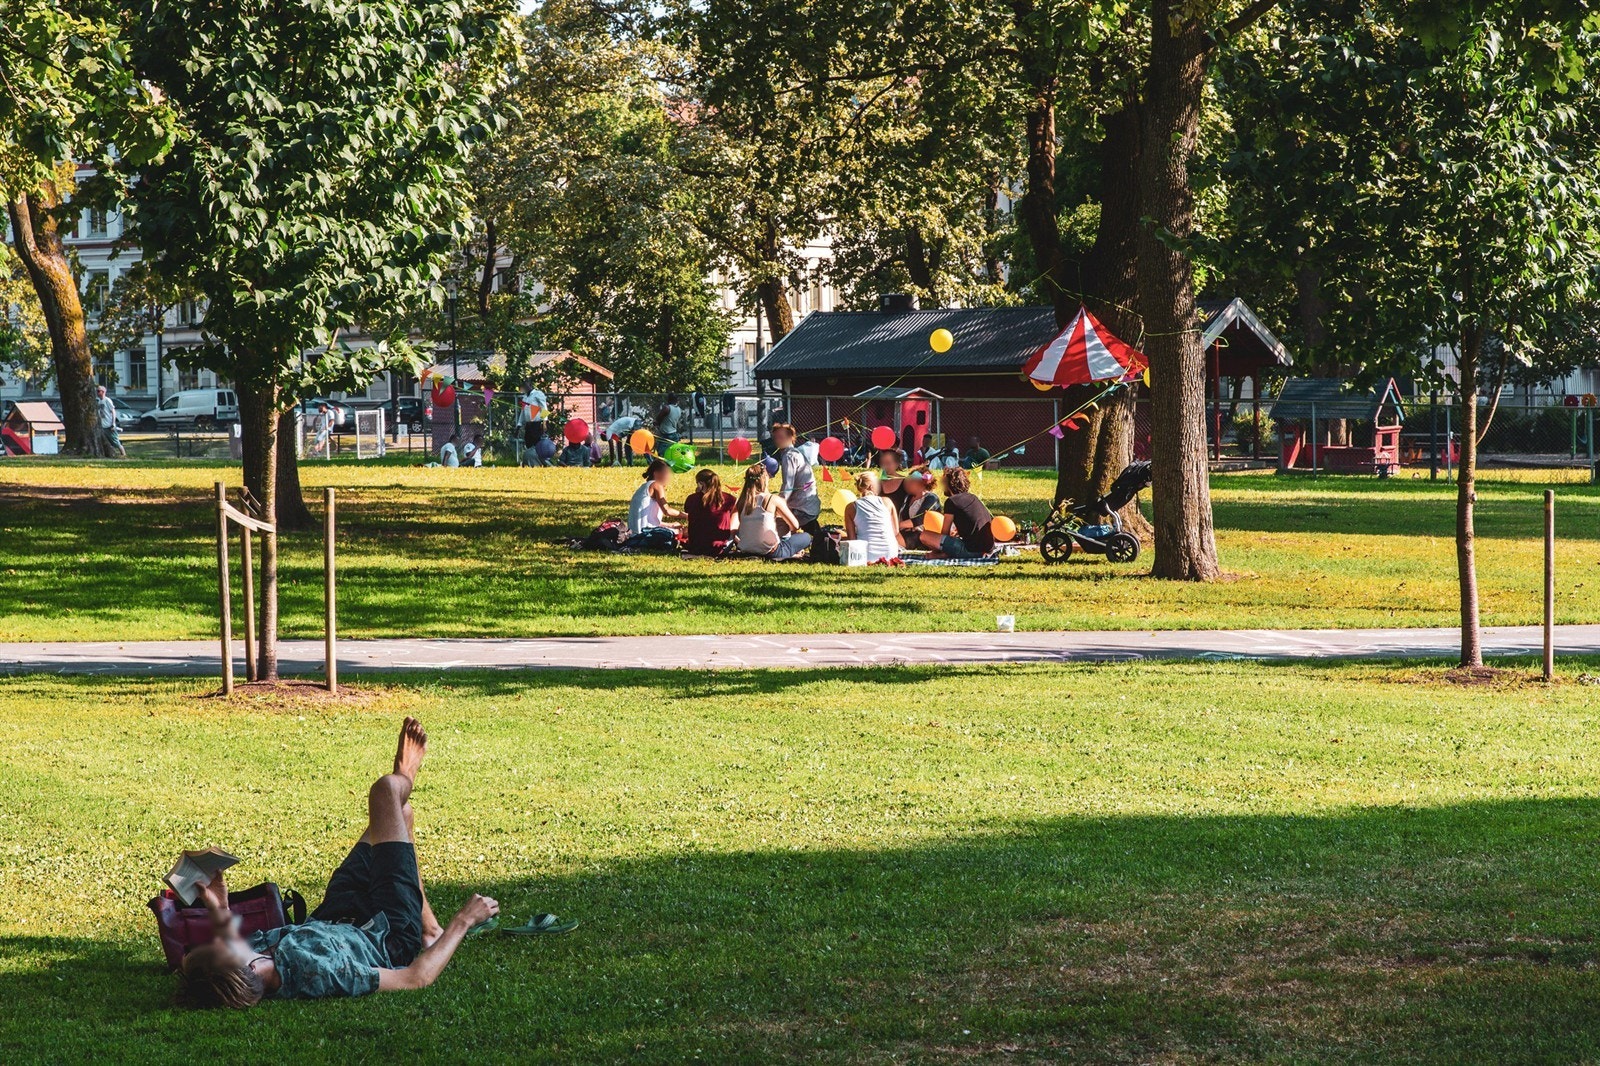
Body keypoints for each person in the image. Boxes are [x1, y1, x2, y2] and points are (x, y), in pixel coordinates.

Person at [176, 718, 507, 1006]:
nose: (224, 939)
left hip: (336, 914)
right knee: (386, 794)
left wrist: (219, 910)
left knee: (398, 818)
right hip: (387, 930)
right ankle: (404, 778)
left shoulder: (251, 963)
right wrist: (463, 921)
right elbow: (414, 978)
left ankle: (429, 929)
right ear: (252, 968)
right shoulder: (319, 971)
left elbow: (191, 962)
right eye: (224, 945)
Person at [733, 464, 811, 561]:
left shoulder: (741, 501)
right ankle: (792, 553)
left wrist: (740, 542)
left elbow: (737, 528)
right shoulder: (772, 499)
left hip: (746, 549)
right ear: (765, 478)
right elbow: (795, 525)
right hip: (771, 552)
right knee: (806, 537)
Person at [921, 466, 995, 558]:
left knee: (924, 536)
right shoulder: (973, 497)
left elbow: (944, 533)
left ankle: (942, 555)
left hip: (971, 551)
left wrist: (937, 547)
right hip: (988, 549)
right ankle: (946, 554)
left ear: (948, 484)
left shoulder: (952, 501)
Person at [770, 423, 821, 535]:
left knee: (774, 525)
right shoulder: (795, 452)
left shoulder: (789, 456)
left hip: (802, 509)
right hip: (810, 506)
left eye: (781, 437)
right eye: (776, 437)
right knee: (814, 532)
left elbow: (788, 485)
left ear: (790, 438)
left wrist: (778, 506)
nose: (777, 440)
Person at [844, 470, 902, 562]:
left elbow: (852, 540)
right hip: (890, 553)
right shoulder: (887, 501)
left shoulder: (851, 508)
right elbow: (895, 531)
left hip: (865, 555)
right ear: (871, 486)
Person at [683, 468, 737, 556]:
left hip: (696, 546)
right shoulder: (729, 499)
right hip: (720, 547)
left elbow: (690, 512)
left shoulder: (691, 499)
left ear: (701, 484)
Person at [628, 457, 684, 537]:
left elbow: (649, 520)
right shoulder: (656, 485)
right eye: (666, 473)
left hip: (635, 534)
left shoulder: (644, 487)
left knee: (678, 527)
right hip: (645, 534)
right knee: (686, 531)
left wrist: (670, 525)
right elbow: (667, 511)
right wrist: (688, 516)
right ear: (656, 473)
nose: (669, 477)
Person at [896, 467, 941, 540]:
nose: (908, 483)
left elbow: (921, 518)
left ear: (922, 483)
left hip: (926, 535)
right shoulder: (907, 498)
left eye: (911, 481)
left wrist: (897, 525)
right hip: (908, 532)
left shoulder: (932, 498)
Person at [517, 387, 548, 467]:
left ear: (530, 384)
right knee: (528, 444)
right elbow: (523, 412)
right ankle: (530, 463)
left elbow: (544, 407)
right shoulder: (525, 397)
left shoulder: (538, 394)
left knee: (537, 445)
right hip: (528, 425)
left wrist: (544, 421)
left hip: (537, 424)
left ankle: (540, 463)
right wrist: (519, 425)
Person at [95, 385, 125, 458]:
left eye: (98, 391)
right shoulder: (99, 401)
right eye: (97, 391)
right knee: (106, 442)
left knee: (116, 441)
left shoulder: (107, 400)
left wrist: (113, 423)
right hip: (102, 426)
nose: (97, 392)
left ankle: (123, 454)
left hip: (109, 425)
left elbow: (113, 411)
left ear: (103, 392)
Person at [877, 448, 907, 516]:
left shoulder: (906, 482)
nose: (884, 467)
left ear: (897, 464)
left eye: (888, 463)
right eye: (882, 463)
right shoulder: (877, 483)